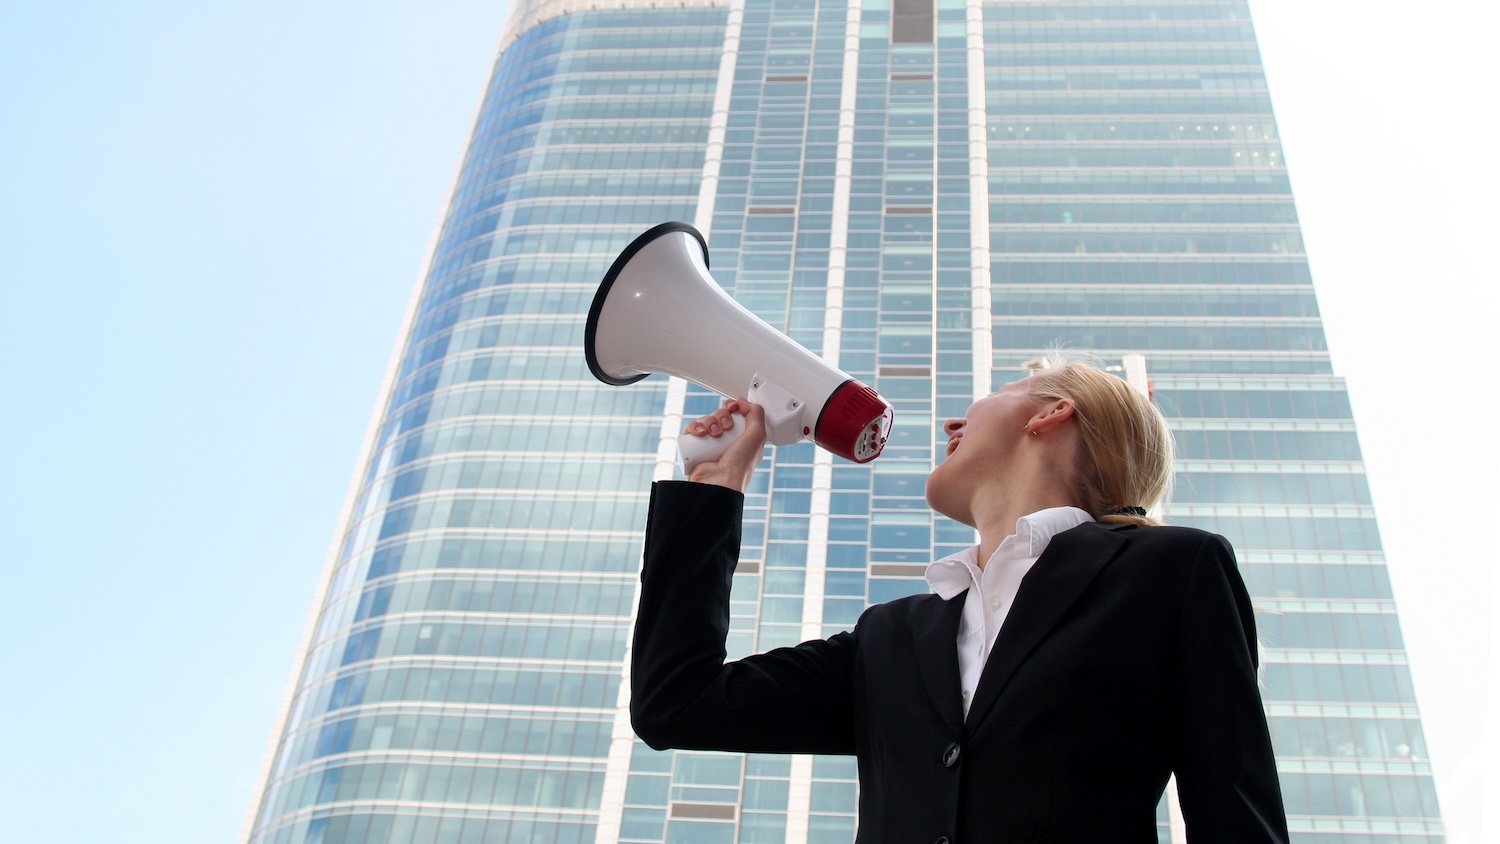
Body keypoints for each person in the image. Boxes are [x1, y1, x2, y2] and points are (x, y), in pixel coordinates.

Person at [629, 360, 1289, 842]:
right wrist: (715, 488)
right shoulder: (891, 636)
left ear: (1052, 413)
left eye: (999, 394)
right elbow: (676, 705)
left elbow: (1238, 820)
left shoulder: (1170, 570)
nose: (952, 422)